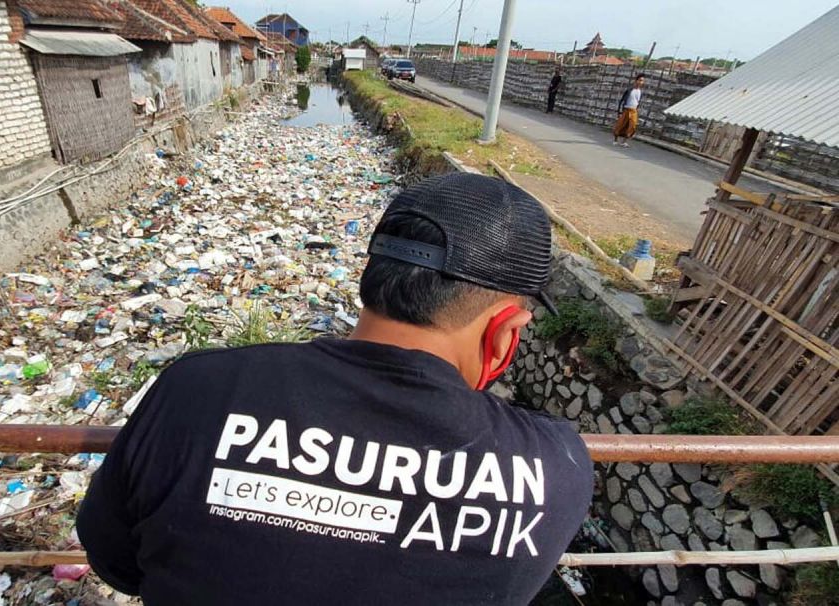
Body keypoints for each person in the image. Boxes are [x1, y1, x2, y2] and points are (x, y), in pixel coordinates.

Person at [77, 173, 594, 606]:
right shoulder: (555, 468)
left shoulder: (196, 389)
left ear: (373, 275)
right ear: (505, 333)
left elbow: (116, 561)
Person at [613, 73, 645, 146]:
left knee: (632, 126)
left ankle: (624, 141)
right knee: (620, 124)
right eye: (640, 80)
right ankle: (615, 140)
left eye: (642, 81)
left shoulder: (640, 91)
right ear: (636, 81)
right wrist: (620, 111)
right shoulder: (630, 90)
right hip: (626, 109)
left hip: (634, 110)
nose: (641, 82)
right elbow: (622, 100)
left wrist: (637, 109)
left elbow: (638, 102)